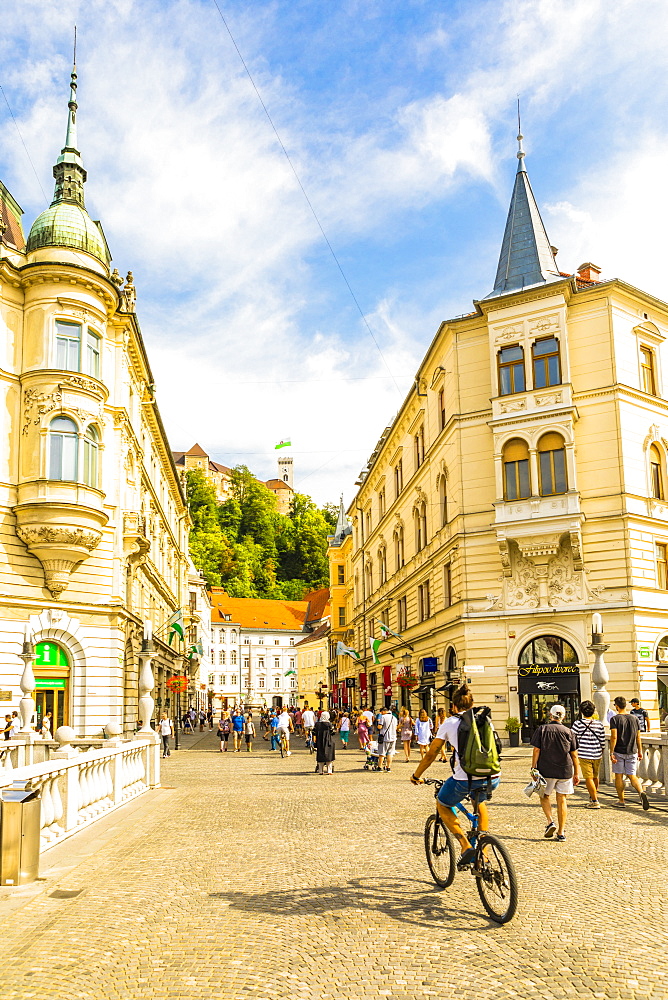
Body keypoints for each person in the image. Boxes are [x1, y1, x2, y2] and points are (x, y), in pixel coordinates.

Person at [411, 684, 500, 867]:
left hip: (464, 779)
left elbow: (432, 753)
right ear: (472, 703)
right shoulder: (485, 719)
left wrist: (416, 774)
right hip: (493, 776)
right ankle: (483, 851)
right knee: (479, 801)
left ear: (453, 706)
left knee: (442, 804)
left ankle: (465, 846)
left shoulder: (450, 723)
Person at [531, 704, 580, 841]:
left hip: (546, 769)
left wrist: (533, 767)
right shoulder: (569, 732)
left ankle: (550, 821)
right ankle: (561, 832)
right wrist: (576, 773)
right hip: (564, 770)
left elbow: (536, 750)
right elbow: (574, 755)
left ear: (550, 715)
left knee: (544, 796)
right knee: (562, 800)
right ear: (563, 716)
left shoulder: (542, 729)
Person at [609, 696, 649, 809]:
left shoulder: (615, 719)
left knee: (619, 776)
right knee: (632, 776)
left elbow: (614, 737)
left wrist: (611, 752)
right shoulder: (635, 719)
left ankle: (621, 801)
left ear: (616, 706)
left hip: (619, 751)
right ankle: (641, 792)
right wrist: (640, 751)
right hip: (632, 751)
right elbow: (638, 737)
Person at [571, 701, 605, 808]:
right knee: (595, 776)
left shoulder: (577, 724)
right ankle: (593, 795)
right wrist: (601, 751)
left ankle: (594, 801)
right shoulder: (599, 724)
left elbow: (572, 738)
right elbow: (602, 740)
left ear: (581, 711)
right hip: (597, 753)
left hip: (584, 753)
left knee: (588, 778)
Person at [377, 705, 398, 771]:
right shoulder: (394, 718)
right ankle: (388, 767)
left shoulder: (383, 717)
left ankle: (379, 767)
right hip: (393, 737)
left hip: (385, 737)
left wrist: (378, 726)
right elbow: (396, 728)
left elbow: (380, 727)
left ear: (383, 712)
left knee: (382, 753)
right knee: (390, 753)